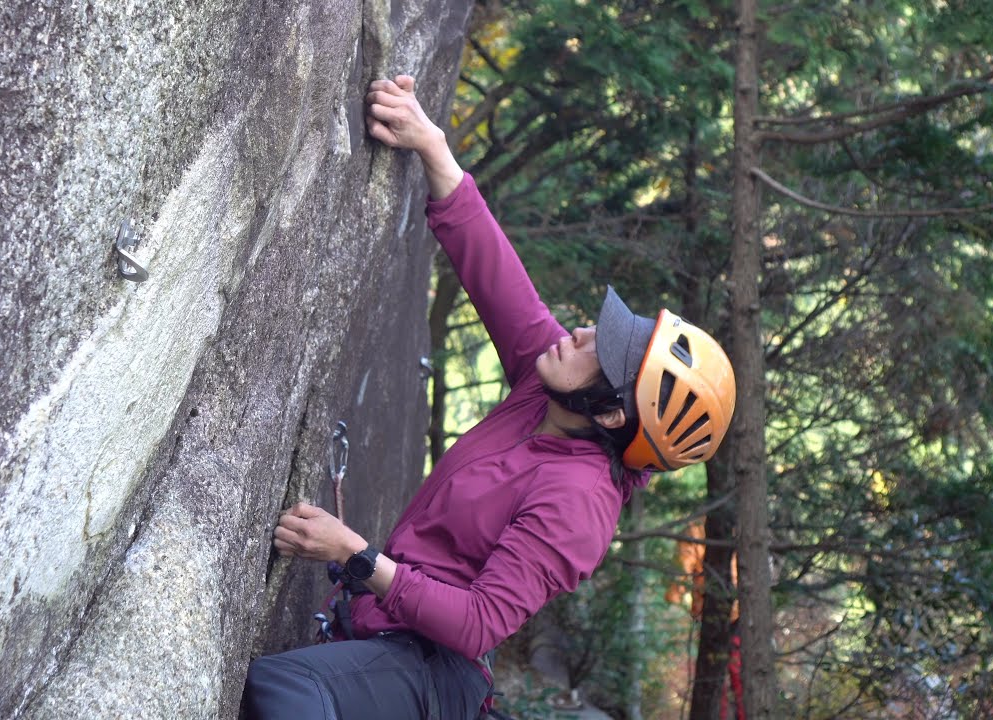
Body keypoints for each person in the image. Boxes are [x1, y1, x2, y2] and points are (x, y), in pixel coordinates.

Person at [242, 75, 737, 720]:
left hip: (432, 666)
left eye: (602, 350)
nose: (581, 333)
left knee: (283, 691)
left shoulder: (579, 504)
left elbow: (478, 624)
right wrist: (431, 145)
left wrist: (354, 555)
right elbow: (496, 274)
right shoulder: (549, 387)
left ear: (613, 414)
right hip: (390, 634)